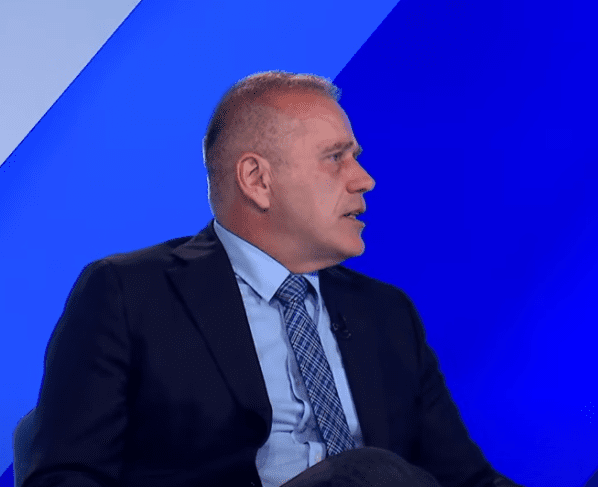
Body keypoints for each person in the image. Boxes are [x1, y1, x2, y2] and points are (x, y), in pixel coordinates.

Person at [19, 71, 523, 487]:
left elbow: (466, 480)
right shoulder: (128, 293)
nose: (364, 179)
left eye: (356, 157)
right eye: (336, 157)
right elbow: (66, 476)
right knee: (367, 472)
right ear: (257, 180)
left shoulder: (388, 313)